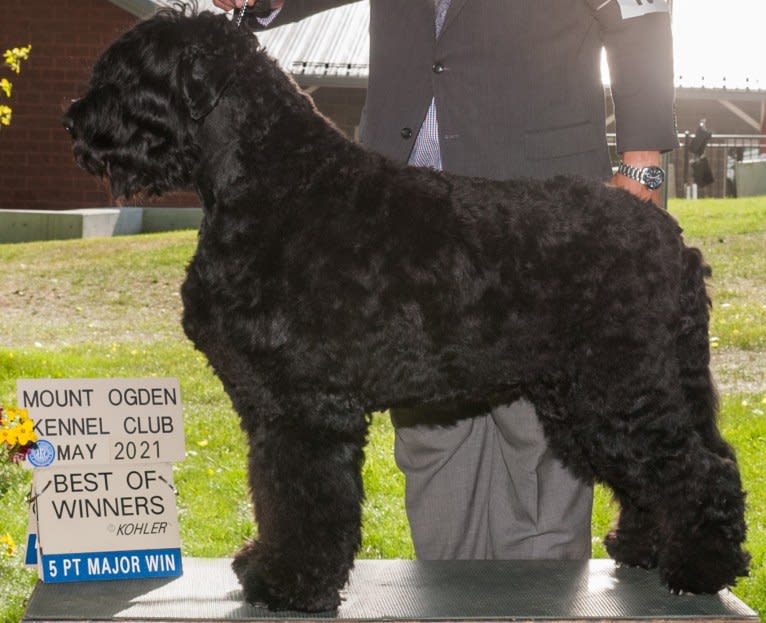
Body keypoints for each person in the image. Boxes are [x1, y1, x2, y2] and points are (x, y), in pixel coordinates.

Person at [212, 0, 678, 561]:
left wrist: (643, 156)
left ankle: (540, 605)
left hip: (535, 200)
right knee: (431, 442)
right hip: (400, 195)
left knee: (537, 443)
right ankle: (447, 594)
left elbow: (640, 11)